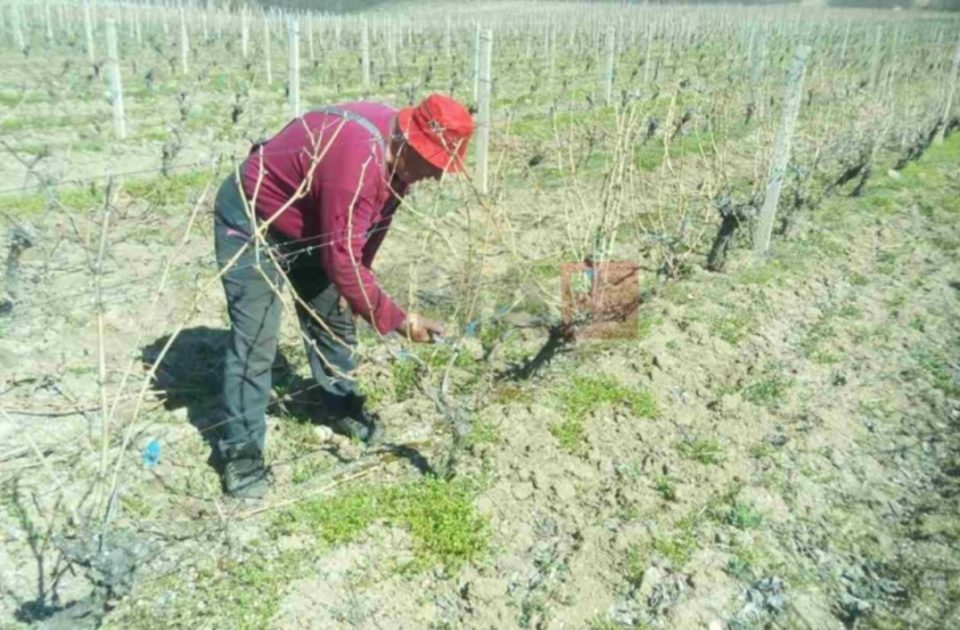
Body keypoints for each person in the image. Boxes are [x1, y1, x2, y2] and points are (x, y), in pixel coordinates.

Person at [211, 94, 474, 498]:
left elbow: (369, 230)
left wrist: (358, 287)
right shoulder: (359, 160)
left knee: (333, 316)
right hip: (254, 222)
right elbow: (341, 256)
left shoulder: (396, 163)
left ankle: (338, 405)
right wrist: (398, 320)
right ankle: (241, 456)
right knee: (256, 339)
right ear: (409, 143)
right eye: (434, 164)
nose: (437, 177)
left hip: (313, 226)